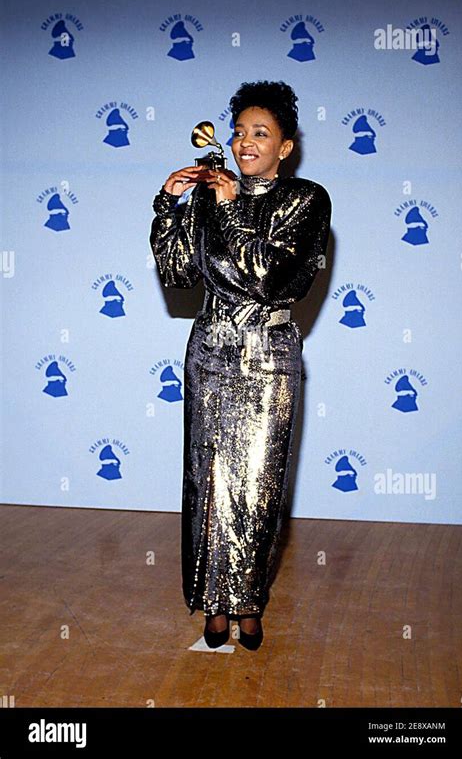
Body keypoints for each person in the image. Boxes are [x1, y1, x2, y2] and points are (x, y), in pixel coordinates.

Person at [150, 80, 331, 651]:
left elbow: (269, 277)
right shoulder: (209, 195)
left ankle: (249, 600)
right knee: (208, 481)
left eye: (261, 133)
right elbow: (179, 273)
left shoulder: (306, 200)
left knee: (257, 485)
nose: (244, 142)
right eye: (238, 132)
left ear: (285, 147)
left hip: (268, 354)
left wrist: (230, 208)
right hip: (210, 351)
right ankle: (213, 603)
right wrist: (172, 204)